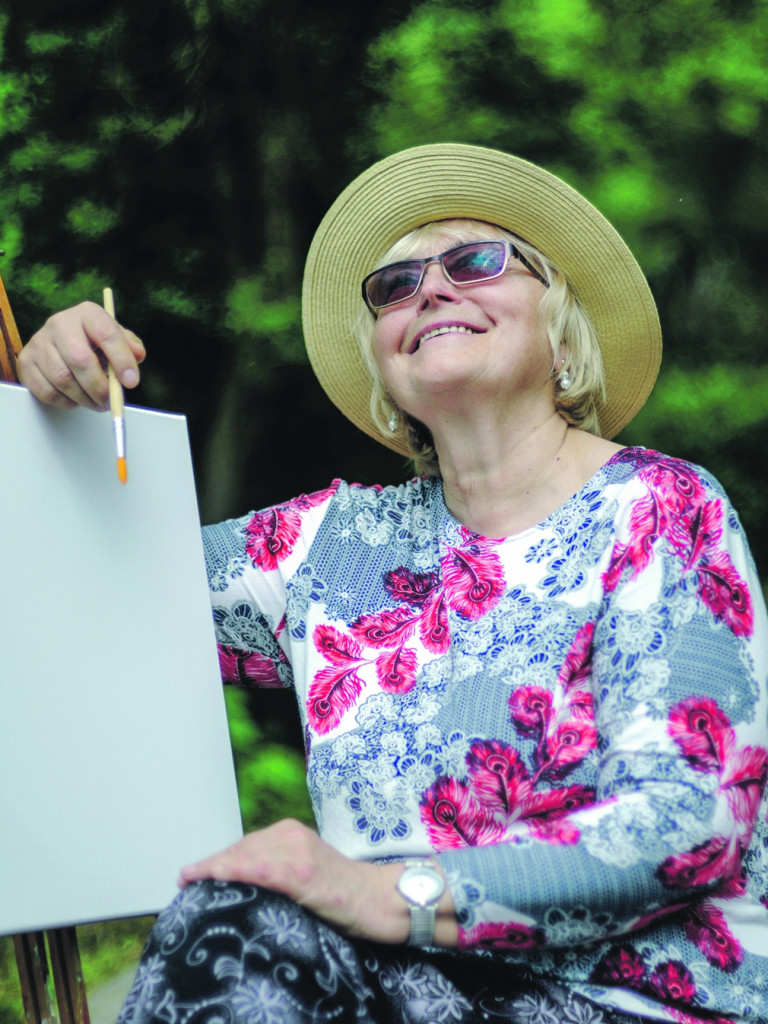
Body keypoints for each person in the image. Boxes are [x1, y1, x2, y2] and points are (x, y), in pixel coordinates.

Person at [19, 143, 768, 1024]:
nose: (432, 290)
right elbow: (70, 587)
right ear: (386, 366)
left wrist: (393, 895)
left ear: (563, 331)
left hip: (628, 1000)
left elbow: (688, 820)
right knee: (225, 921)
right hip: (395, 988)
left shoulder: (662, 507)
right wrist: (44, 410)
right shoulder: (326, 542)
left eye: (475, 261)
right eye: (394, 286)